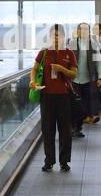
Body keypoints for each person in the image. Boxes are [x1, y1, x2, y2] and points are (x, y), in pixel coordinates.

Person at [31, 24, 76, 173]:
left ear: (63, 37)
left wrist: (62, 69)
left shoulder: (69, 53)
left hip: (63, 96)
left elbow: (74, 74)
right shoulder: (44, 53)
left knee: (65, 130)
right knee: (48, 129)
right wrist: (33, 81)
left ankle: (64, 161)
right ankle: (49, 160)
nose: (56, 38)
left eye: (58, 35)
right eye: (53, 35)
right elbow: (35, 69)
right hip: (47, 96)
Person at [70, 21, 101, 134]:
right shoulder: (72, 43)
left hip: (88, 79)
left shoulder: (93, 44)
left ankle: (78, 126)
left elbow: (98, 62)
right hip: (74, 79)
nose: (82, 31)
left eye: (85, 29)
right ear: (77, 31)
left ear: (88, 32)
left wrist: (100, 77)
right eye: (81, 29)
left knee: (85, 103)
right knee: (75, 104)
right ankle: (75, 127)